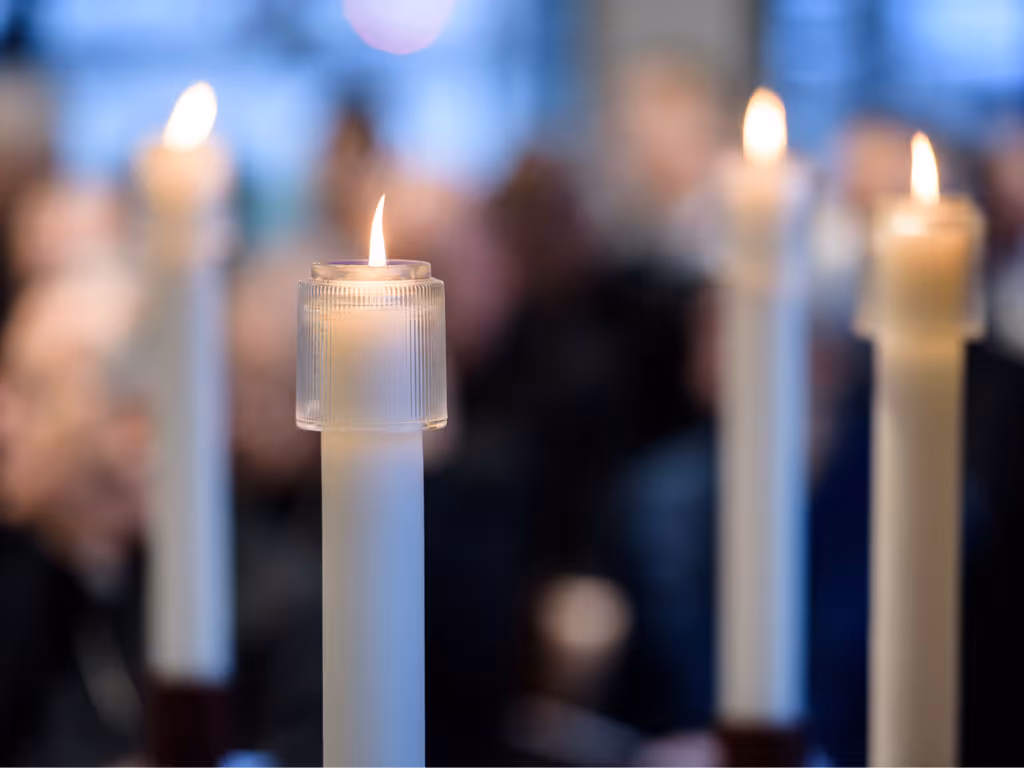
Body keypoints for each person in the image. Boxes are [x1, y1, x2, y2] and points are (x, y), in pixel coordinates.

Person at [0, 265, 322, 766]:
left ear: (133, 423)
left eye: (32, 386)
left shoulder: (276, 605)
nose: (4, 418)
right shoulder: (26, 567)